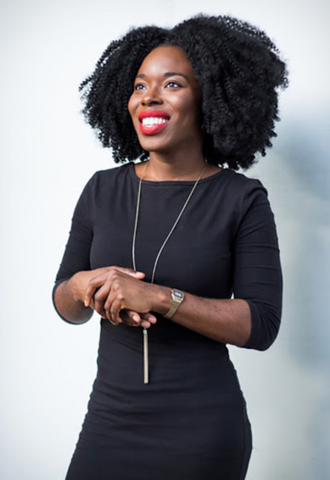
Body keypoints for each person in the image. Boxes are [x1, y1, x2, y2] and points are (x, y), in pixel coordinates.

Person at [53, 14, 288, 480]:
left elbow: (261, 324)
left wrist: (160, 297)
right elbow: (66, 303)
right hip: (108, 423)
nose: (149, 98)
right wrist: (84, 286)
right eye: (139, 86)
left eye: (172, 84)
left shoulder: (241, 198)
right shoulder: (101, 190)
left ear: (212, 101)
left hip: (200, 431)